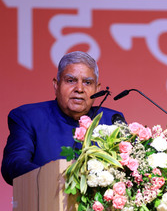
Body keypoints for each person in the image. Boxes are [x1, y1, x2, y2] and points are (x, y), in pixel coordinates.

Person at [1, 51, 125, 185]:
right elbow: (13, 165)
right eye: (71, 80)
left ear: (97, 89)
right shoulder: (29, 118)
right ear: (56, 85)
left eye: (87, 82)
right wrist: (52, 178)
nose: (79, 88)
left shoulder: (112, 120)